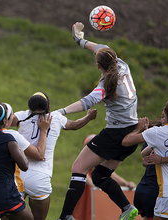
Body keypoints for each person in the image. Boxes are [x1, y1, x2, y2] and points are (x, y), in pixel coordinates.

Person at [57, 22, 139, 220]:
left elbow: (86, 102)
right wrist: (81, 40)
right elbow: (102, 49)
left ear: (98, 66)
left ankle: (65, 216)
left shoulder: (107, 85)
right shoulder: (122, 65)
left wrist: (61, 111)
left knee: (78, 169)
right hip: (133, 131)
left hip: (116, 134)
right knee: (100, 176)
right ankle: (128, 208)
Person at [10, 91, 97, 220]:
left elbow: (0, 120)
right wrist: (88, 117)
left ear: (30, 108)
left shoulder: (22, 116)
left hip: (18, 174)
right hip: (40, 178)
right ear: (49, 107)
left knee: (9, 217)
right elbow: (75, 125)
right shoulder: (56, 117)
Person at [0, 103, 52, 201]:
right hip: (4, 192)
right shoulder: (12, 136)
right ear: (5, 121)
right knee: (27, 217)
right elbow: (39, 155)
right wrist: (44, 130)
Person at [73, 134, 136, 220]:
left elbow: (113, 176)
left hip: (97, 198)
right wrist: (94, 185)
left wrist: (126, 184)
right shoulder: (83, 165)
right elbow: (83, 174)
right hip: (85, 197)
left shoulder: (101, 167)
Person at [133, 109, 166, 220]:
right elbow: (145, 160)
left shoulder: (156, 134)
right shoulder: (158, 134)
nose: (163, 119)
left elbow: (145, 160)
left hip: (144, 189)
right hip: (154, 191)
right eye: (162, 116)